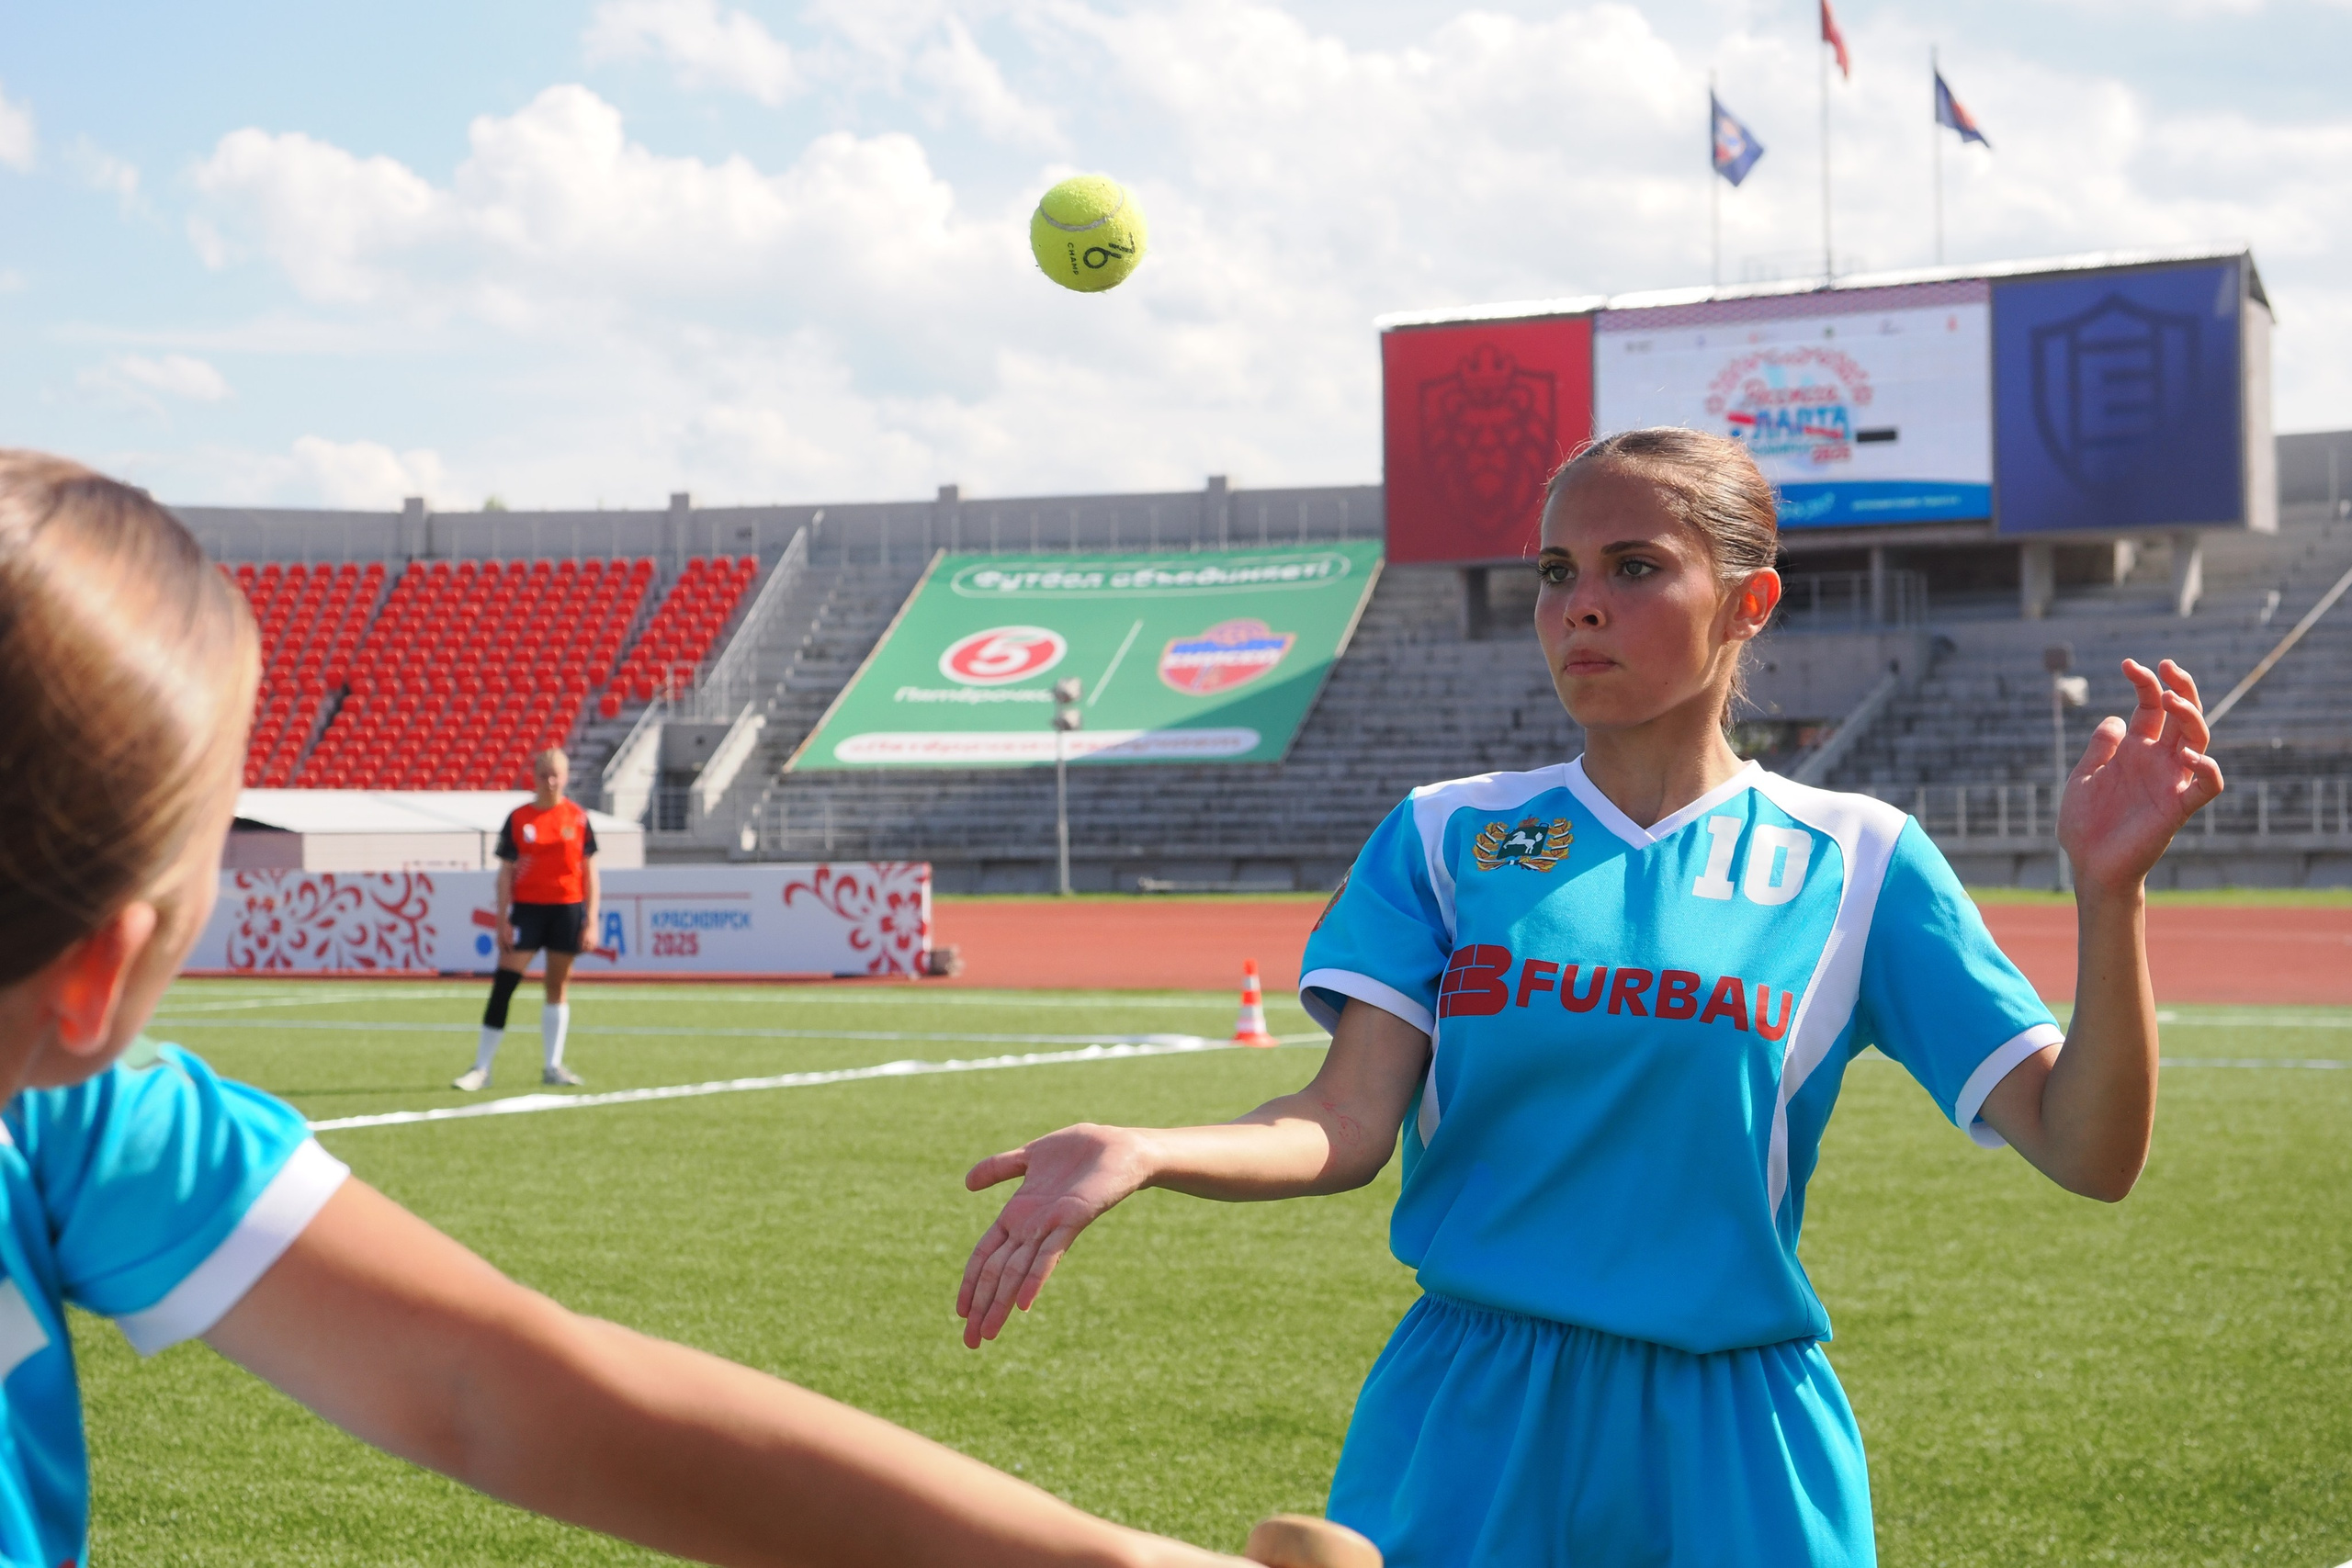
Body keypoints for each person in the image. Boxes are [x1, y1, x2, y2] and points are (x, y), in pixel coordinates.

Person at [956, 428, 2225, 1568]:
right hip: (1469, 1413)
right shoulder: (1447, 836)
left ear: (1748, 601)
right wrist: (1147, 1146)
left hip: (1736, 1424)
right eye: (1557, 573)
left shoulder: (1860, 857)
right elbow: (1344, 1122)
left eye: (1634, 566)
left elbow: (2089, 1149)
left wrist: (2109, 899)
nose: (1581, 608)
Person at [0, 450, 1276, 1568]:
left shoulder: (77, 1113)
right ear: (99, 975)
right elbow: (498, 1386)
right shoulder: (65, 1108)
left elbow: (492, 1381)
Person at [456, 747, 595, 1091]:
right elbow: (505, 874)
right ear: (534, 777)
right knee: (504, 985)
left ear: (565, 777)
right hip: (528, 911)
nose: (550, 781)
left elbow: (590, 873)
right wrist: (502, 917)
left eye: (556, 775)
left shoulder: (577, 818)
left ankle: (552, 1066)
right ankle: (481, 1068)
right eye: (544, 774)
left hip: (567, 908)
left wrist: (591, 918)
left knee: (557, 987)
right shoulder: (519, 818)